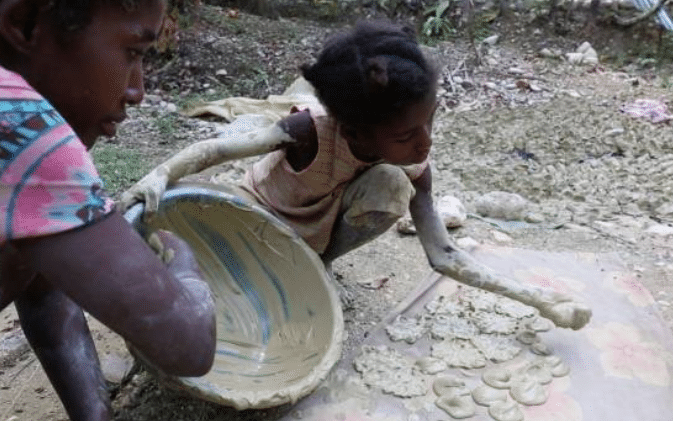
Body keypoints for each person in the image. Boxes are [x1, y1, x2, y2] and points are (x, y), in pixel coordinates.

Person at [121, 21, 591, 331]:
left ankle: (319, 267)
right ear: (353, 128)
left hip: (310, 242)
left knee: (391, 187)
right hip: (255, 224)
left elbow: (444, 256)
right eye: (408, 134)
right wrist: (158, 176)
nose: (425, 142)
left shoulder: (411, 165)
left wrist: (539, 299)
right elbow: (218, 149)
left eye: (431, 121)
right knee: (209, 285)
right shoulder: (308, 132)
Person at [0, 0, 217, 421]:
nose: (138, 90)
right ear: (24, 24)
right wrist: (185, 266)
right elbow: (187, 344)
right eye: (133, 52)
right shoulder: (16, 121)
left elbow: (43, 288)